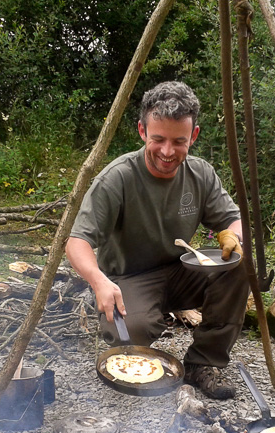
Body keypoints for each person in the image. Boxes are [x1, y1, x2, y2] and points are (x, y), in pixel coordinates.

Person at [66, 81, 248, 399]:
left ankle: (202, 362)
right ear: (141, 131)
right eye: (158, 139)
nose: (167, 152)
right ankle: (142, 324)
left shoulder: (200, 174)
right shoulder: (117, 178)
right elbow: (76, 240)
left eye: (179, 141)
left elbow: (234, 219)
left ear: (194, 136)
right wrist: (98, 281)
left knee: (240, 264)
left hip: (182, 271)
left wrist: (233, 234)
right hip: (127, 280)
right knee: (129, 335)